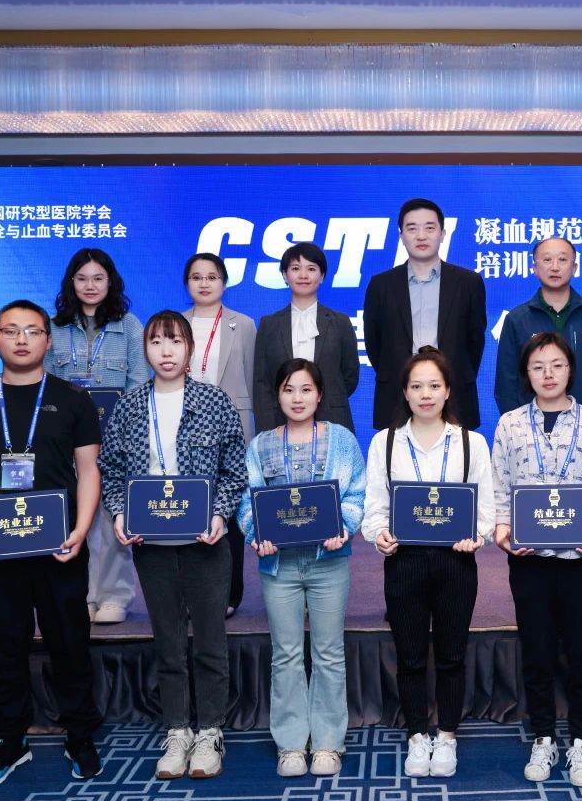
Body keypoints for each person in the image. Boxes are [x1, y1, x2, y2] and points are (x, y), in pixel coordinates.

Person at [0, 299, 103, 788]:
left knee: (70, 644)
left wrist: (81, 528)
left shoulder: (74, 399)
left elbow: (89, 471)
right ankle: (10, 742)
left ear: (48, 341)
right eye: (11, 331)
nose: (22, 339)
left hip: (60, 546)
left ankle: (80, 735)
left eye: (32, 331)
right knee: (3, 647)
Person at [98, 310, 247, 780]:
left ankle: (210, 732)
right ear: (145, 349)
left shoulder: (214, 401)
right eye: (157, 342)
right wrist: (120, 513)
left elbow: (234, 468)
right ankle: (178, 729)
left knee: (209, 640)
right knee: (168, 641)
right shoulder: (129, 406)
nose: (166, 351)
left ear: (189, 349)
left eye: (176, 341)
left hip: (205, 540)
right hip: (152, 542)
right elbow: (111, 468)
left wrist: (220, 514)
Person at [490, 332, 582, 787]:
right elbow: (500, 486)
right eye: (538, 367)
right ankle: (543, 736)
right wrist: (502, 530)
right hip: (530, 558)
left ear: (571, 370)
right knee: (538, 651)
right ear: (526, 374)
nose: (548, 374)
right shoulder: (508, 424)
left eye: (557, 365)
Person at [362, 346, 495, 778]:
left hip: (456, 562)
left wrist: (478, 535)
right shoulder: (384, 442)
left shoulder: (472, 442)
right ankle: (418, 733)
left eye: (434, 385)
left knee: (452, 654)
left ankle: (448, 735)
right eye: (416, 386)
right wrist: (379, 535)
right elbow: (374, 507)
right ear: (404, 392)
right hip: (405, 562)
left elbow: (487, 509)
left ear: (448, 390)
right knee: (411, 656)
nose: (425, 394)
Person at [237, 359, 367, 778]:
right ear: (277, 395)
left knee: (328, 652)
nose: (297, 398)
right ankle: (291, 744)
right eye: (289, 389)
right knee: (286, 654)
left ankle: (328, 742)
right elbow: (247, 501)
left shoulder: (342, 440)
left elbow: (356, 493)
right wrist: (257, 533)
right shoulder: (260, 446)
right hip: (279, 565)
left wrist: (344, 527)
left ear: (320, 394)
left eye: (306, 389)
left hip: (329, 562)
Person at [45, 247, 148, 626]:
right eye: (82, 278)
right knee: (75, 517)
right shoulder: (54, 327)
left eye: (98, 278)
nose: (90, 285)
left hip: (114, 440)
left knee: (113, 518)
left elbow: (139, 384)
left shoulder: (130, 326)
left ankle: (114, 595)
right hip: (67, 441)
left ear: (111, 282)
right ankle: (83, 595)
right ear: (71, 282)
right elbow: (46, 385)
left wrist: (121, 434)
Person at [363, 198, 487, 430]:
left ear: (443, 233)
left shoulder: (468, 282)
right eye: (412, 228)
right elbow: (374, 344)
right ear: (401, 236)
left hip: (456, 395)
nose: (421, 236)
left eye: (429, 228)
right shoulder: (381, 285)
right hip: (396, 396)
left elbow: (474, 342)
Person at [181, 252, 257, 618]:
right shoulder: (175, 324)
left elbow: (253, 379)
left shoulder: (243, 324)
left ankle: (229, 594)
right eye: (197, 277)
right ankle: (189, 594)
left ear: (224, 283)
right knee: (188, 509)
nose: (204, 283)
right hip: (184, 426)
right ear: (187, 284)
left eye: (212, 277)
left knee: (229, 511)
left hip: (232, 427)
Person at [495, 237, 582, 429]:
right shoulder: (517, 319)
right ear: (534, 268)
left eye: (562, 259)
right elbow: (506, 384)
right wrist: (518, 430)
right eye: (547, 260)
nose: (555, 267)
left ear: (574, 267)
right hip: (531, 431)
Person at [252, 242, 360, 432]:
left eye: (311, 269)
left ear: (322, 276)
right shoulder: (269, 324)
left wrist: (324, 397)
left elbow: (350, 376)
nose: (303, 275)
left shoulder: (340, 322)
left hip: (333, 420)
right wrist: (268, 427)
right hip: (279, 422)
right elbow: (262, 382)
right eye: (295, 268)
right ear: (285, 275)